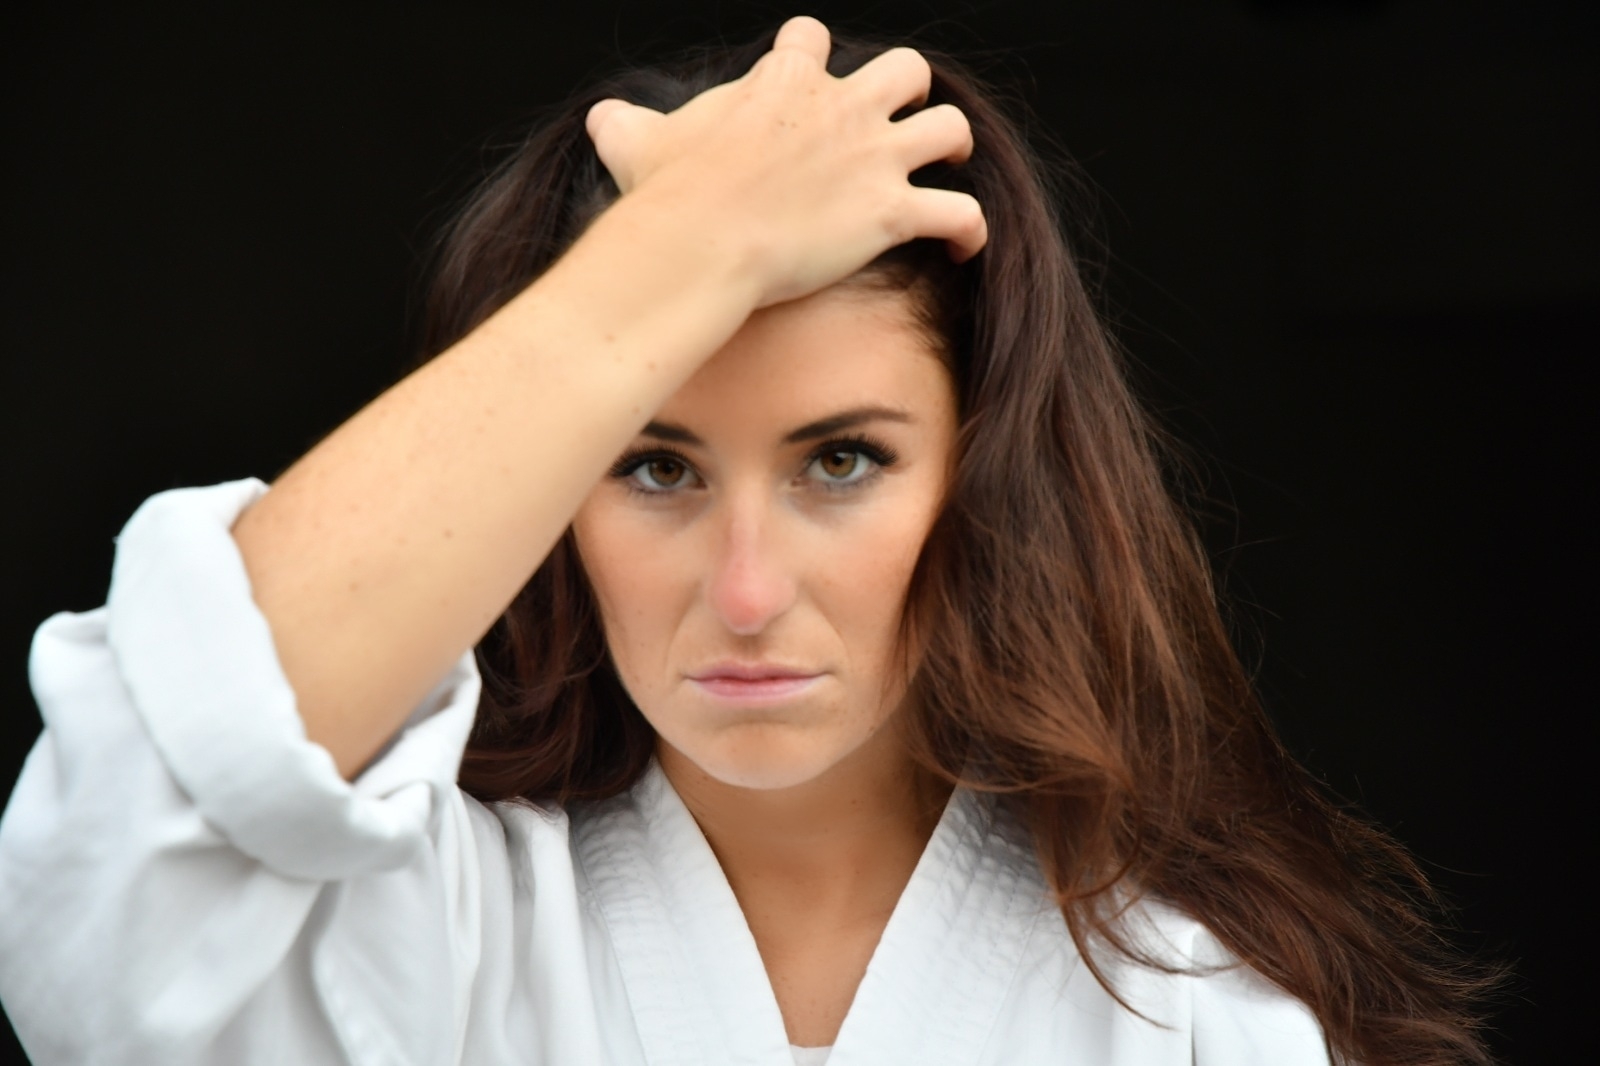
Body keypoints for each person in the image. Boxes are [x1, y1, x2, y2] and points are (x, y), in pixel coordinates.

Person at [0, 16, 1494, 1066]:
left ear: (984, 481)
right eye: (653, 466)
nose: (747, 590)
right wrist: (681, 252)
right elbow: (105, 864)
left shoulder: (1196, 1015)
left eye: (842, 461)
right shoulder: (420, 933)